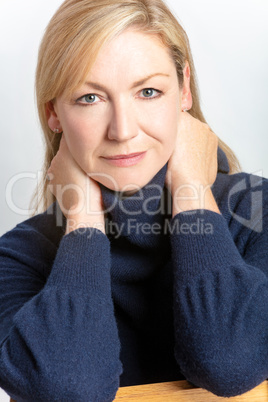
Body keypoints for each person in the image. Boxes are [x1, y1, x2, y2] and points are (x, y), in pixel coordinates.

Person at [0, 0, 267, 400]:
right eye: (90, 98)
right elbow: (71, 386)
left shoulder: (257, 212)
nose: (123, 130)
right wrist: (84, 219)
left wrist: (192, 190)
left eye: (148, 91)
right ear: (53, 112)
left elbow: (231, 363)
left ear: (184, 90)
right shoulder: (18, 256)